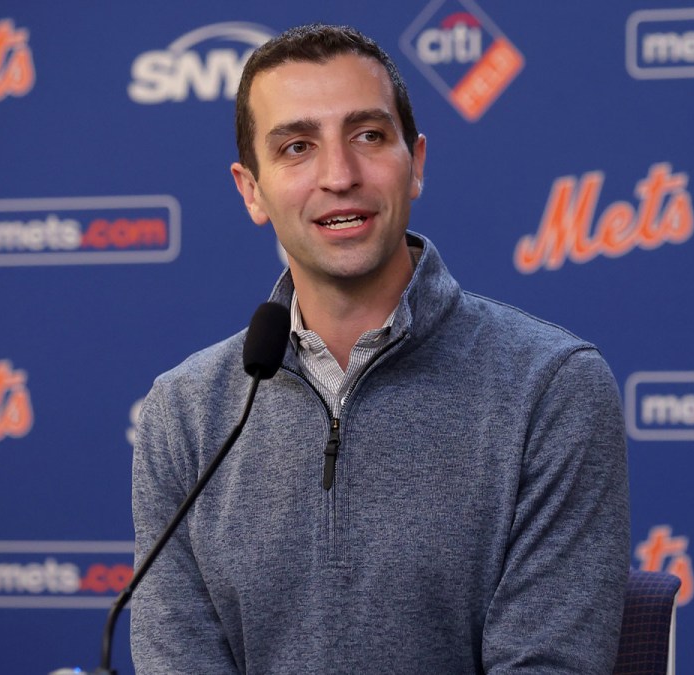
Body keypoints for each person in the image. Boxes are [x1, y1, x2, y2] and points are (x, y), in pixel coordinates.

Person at [131, 23, 630, 674]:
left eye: (368, 136)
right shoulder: (183, 411)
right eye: (297, 147)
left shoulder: (552, 387)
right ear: (250, 189)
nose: (340, 175)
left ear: (416, 162)